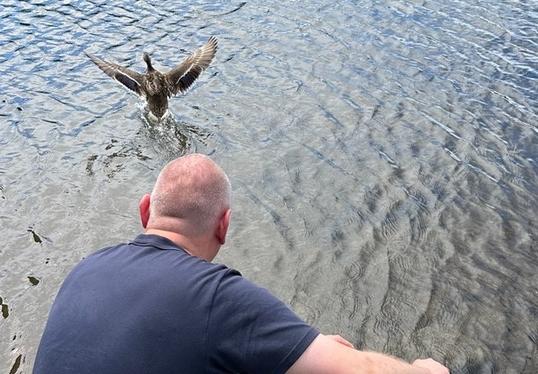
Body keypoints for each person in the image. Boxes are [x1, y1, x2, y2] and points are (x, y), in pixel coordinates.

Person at [33, 153, 448, 374]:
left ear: (145, 212)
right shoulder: (214, 297)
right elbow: (355, 371)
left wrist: (299, 351)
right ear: (224, 225)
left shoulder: (85, 269)